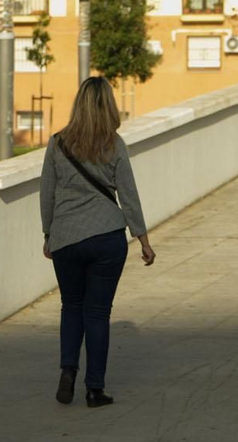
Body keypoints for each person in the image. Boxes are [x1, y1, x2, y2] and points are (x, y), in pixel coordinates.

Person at [39, 76, 155, 408]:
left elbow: (46, 194)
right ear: (110, 106)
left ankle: (67, 372)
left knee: (71, 307)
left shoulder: (57, 143)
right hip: (107, 238)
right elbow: (129, 196)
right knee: (98, 313)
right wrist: (143, 240)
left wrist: (49, 234)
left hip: (66, 240)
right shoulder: (114, 145)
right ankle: (95, 389)